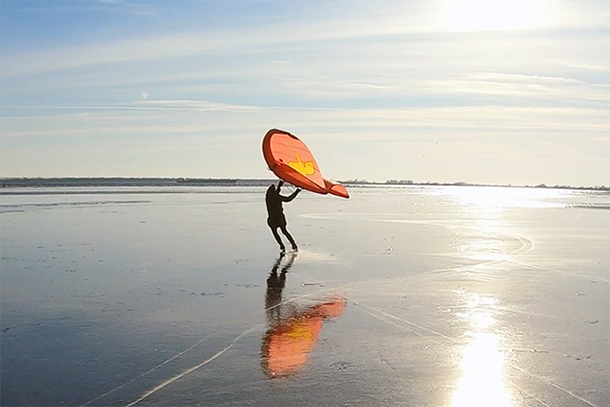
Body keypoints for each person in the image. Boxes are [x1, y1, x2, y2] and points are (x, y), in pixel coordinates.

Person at [265, 180, 300, 253]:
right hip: (279, 218)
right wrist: (297, 191)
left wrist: (280, 183)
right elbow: (288, 199)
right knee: (284, 231)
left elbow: (277, 191)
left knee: (275, 233)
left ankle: (281, 246)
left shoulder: (268, 198)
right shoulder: (277, 197)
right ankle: (293, 245)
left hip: (271, 219)